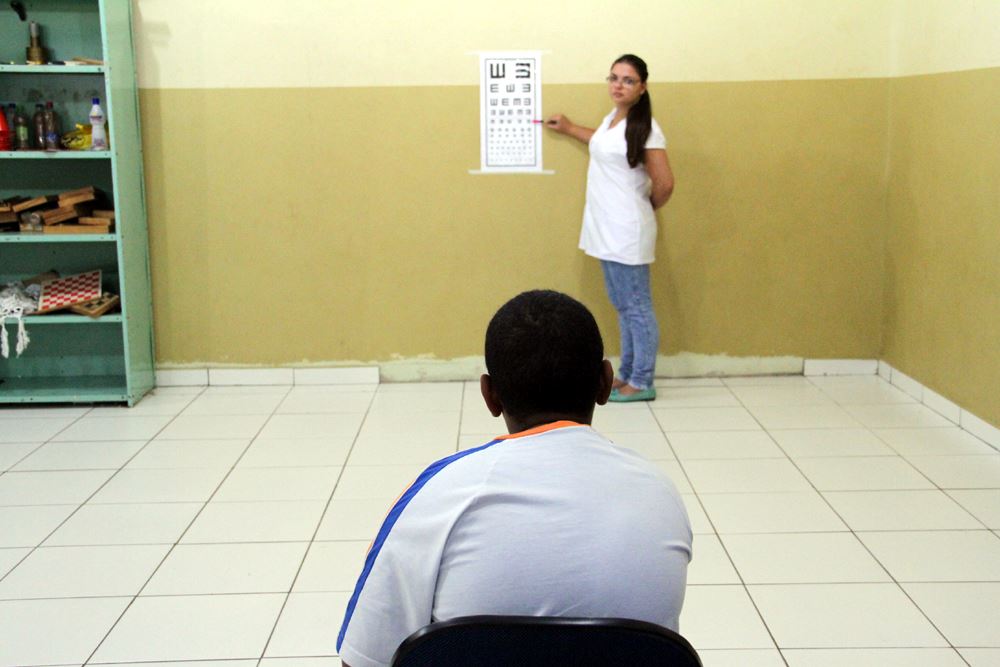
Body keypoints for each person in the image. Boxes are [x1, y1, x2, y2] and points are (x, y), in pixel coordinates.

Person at [336, 289, 692, 667]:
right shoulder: (659, 494)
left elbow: (362, 660)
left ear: (489, 395)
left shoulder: (437, 495)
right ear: (605, 382)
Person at [546, 54, 675, 402]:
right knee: (623, 304)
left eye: (628, 80)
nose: (618, 85)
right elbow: (604, 145)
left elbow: (664, 183)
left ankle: (643, 380)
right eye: (614, 78)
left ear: (642, 87)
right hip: (605, 227)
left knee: (637, 305)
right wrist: (571, 128)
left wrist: (641, 210)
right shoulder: (614, 120)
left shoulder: (648, 128)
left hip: (627, 229)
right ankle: (628, 374)